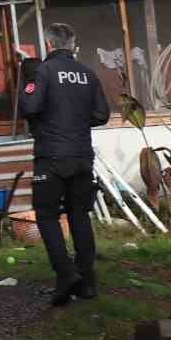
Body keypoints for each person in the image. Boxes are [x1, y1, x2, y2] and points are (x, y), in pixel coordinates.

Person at [18, 22, 111, 306]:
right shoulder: (88, 74)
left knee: (47, 216)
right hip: (82, 156)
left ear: (48, 44)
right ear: (72, 44)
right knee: (79, 216)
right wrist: (76, 122)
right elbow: (102, 114)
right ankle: (88, 282)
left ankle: (66, 273)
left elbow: (30, 107)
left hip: (52, 157)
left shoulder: (43, 72)